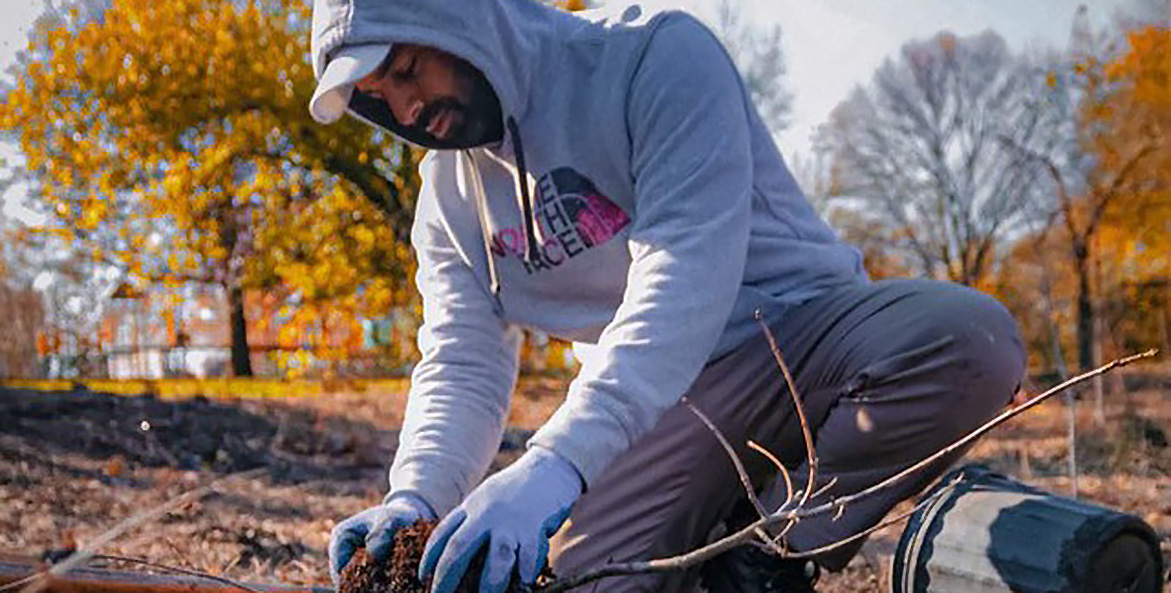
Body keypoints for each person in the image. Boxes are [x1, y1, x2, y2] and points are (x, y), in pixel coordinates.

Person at [307, 0, 1026, 591]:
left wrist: (556, 459)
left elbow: (683, 276)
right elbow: (461, 361)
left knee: (967, 340)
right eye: (377, 99)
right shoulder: (447, 200)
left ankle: (772, 552)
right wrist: (417, 495)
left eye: (406, 68)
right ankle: (708, 537)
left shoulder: (653, 59)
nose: (406, 107)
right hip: (663, 407)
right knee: (590, 582)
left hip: (800, 345)